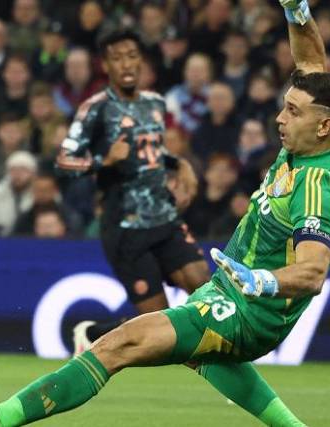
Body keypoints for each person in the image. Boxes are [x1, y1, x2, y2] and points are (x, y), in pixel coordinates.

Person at [0, 4, 330, 426]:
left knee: (117, 344)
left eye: (293, 111)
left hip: (250, 311)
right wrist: (296, 10)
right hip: (232, 296)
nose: (280, 117)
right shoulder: (329, 135)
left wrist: (261, 280)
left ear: (324, 126)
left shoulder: (317, 188)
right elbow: (311, 62)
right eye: (285, 105)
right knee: (203, 356)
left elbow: (312, 272)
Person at [50, 31, 210, 354]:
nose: (126, 63)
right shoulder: (95, 109)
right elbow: (64, 161)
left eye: (132, 55)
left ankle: (226, 371)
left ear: (141, 61)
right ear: (105, 65)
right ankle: (96, 334)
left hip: (163, 217)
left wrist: (179, 164)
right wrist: (103, 161)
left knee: (204, 285)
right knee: (160, 328)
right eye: (117, 57)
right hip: (125, 227)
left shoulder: (155, 103)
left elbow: (149, 153)